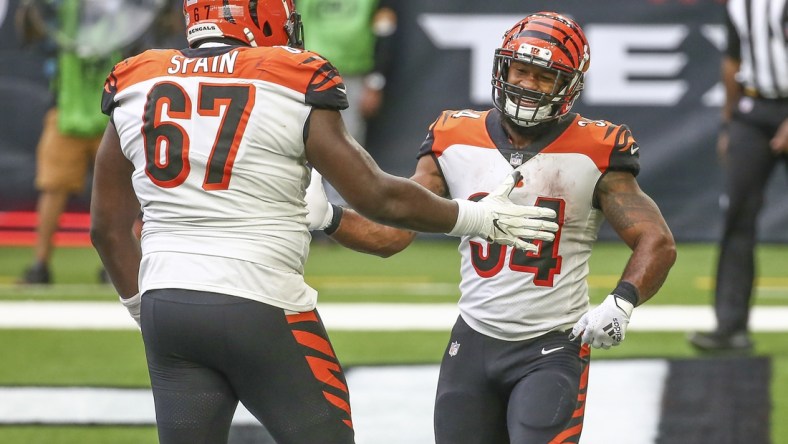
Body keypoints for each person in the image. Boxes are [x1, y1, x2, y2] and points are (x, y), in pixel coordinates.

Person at [89, 1, 558, 443]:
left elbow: (107, 228)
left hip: (166, 303)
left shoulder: (136, 79)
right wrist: (476, 217)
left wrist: (141, 305)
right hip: (260, 299)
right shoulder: (291, 76)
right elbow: (378, 196)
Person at [305, 12, 676, 443]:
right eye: (521, 70)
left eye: (544, 76)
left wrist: (622, 302)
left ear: (569, 85)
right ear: (502, 67)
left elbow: (656, 240)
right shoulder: (454, 135)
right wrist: (329, 218)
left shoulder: (596, 149)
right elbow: (392, 234)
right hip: (473, 341)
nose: (528, 84)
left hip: (552, 347)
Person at [688, 0, 788, 352]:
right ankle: (730, 327)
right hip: (754, 108)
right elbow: (732, 61)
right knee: (737, 218)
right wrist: (729, 123)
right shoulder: (740, 4)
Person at [14, 0, 122, 284]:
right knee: (54, 188)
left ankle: (117, 264)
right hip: (69, 110)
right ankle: (40, 264)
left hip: (111, 112)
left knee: (119, 192)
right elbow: (29, 33)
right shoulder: (60, 7)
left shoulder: (126, 10)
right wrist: (29, 7)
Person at [298, 0, 397, 206]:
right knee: (295, 141)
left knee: (348, 147)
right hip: (304, 71)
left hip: (351, 75)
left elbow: (386, 31)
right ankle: (297, 209)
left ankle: (341, 216)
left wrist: (375, 82)